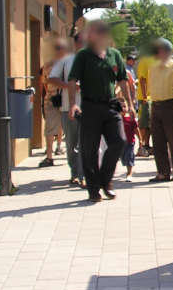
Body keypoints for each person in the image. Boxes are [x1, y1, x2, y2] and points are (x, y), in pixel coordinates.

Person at [67, 20, 133, 202]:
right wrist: (73, 103)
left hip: (111, 106)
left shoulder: (114, 55)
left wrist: (130, 103)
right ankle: (94, 190)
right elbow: (72, 80)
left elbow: (122, 80)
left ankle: (105, 181)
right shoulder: (83, 56)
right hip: (90, 107)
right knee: (89, 150)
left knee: (119, 141)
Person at [48, 30, 86, 185]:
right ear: (76, 44)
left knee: (85, 143)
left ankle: (84, 175)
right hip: (67, 108)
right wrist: (68, 86)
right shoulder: (66, 60)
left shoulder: (93, 59)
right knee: (71, 143)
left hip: (89, 107)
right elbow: (52, 78)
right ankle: (75, 172)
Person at [148, 38, 173, 182]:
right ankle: (163, 172)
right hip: (156, 105)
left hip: (171, 105)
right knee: (158, 141)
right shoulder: (152, 67)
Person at [39, 39, 68, 167]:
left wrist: (50, 93)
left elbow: (44, 83)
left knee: (50, 128)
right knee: (65, 125)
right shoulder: (67, 64)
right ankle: (60, 150)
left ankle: (49, 156)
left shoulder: (47, 65)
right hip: (65, 98)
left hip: (52, 98)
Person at [136, 48, 157, 156]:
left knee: (150, 124)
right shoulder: (145, 61)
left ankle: (148, 145)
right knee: (144, 123)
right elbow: (142, 80)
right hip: (145, 98)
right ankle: (142, 146)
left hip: (153, 97)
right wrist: (144, 97)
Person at [119, 97, 137, 182]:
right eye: (120, 107)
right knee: (123, 158)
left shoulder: (130, 119)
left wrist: (140, 140)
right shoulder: (116, 120)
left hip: (130, 142)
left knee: (129, 157)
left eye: (124, 106)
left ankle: (129, 173)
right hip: (120, 143)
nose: (122, 109)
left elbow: (136, 129)